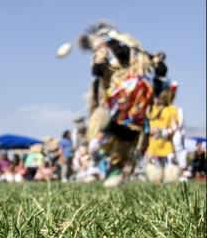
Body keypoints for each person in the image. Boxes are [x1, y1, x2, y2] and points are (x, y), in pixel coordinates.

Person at [76, 22, 160, 187]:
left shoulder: (127, 49)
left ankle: (132, 166)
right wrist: (100, 59)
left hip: (135, 102)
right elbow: (98, 72)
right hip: (115, 104)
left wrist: (109, 41)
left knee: (131, 136)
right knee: (111, 139)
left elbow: (131, 56)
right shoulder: (103, 60)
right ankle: (116, 168)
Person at [145, 89, 180, 184]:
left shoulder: (171, 110)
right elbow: (146, 126)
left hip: (167, 144)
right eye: (156, 97)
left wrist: (166, 131)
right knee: (155, 169)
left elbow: (174, 126)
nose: (158, 100)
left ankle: (170, 182)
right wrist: (150, 130)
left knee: (170, 166)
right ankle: (157, 182)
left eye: (160, 97)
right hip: (153, 145)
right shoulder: (150, 109)